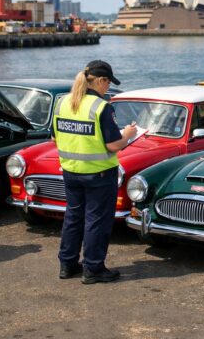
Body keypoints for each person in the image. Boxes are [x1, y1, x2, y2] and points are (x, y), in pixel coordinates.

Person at [54, 60, 136, 284]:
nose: (108, 87)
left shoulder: (62, 103)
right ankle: (93, 269)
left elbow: (54, 137)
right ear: (100, 81)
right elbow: (113, 145)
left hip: (70, 171)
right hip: (99, 174)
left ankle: (67, 264)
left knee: (73, 217)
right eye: (108, 82)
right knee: (96, 221)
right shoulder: (101, 107)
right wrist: (128, 134)